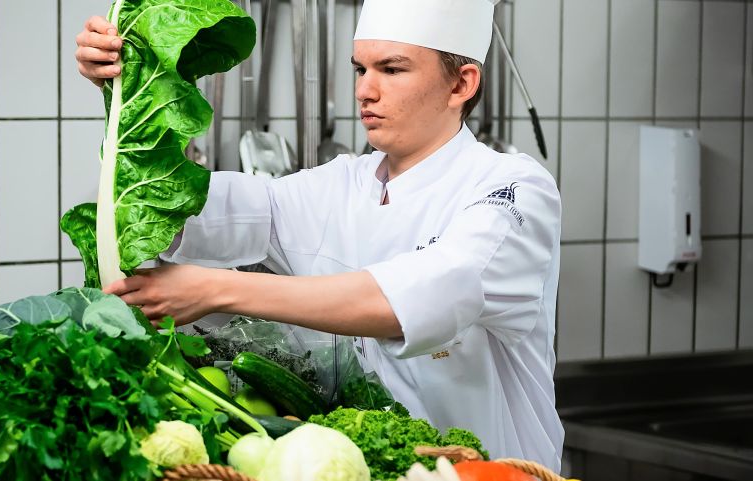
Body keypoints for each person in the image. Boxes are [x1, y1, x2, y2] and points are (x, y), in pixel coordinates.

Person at [75, 0, 564, 471]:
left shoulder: (514, 191)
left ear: (461, 83)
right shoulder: (340, 183)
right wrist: (134, 88)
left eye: (391, 70)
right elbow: (184, 208)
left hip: (496, 471)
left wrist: (215, 289)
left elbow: (415, 297)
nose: (365, 91)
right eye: (360, 69)